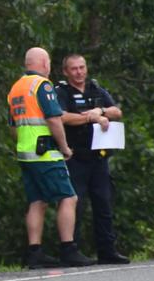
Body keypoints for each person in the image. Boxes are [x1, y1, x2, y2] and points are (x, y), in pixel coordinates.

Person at [6, 47, 94, 268]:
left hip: (26, 154)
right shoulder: (42, 85)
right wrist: (64, 147)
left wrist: (21, 145)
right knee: (68, 197)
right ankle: (68, 248)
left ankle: (35, 253)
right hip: (45, 153)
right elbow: (54, 119)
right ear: (44, 63)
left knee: (37, 201)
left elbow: (13, 126)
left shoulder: (16, 88)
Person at [55, 54, 130, 264]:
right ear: (66, 72)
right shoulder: (62, 92)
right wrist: (89, 117)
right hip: (75, 156)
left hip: (99, 157)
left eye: (82, 67)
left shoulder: (96, 89)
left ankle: (108, 250)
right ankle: (71, 251)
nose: (79, 72)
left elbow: (117, 111)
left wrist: (101, 110)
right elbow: (60, 116)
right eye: (74, 69)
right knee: (74, 204)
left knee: (103, 203)